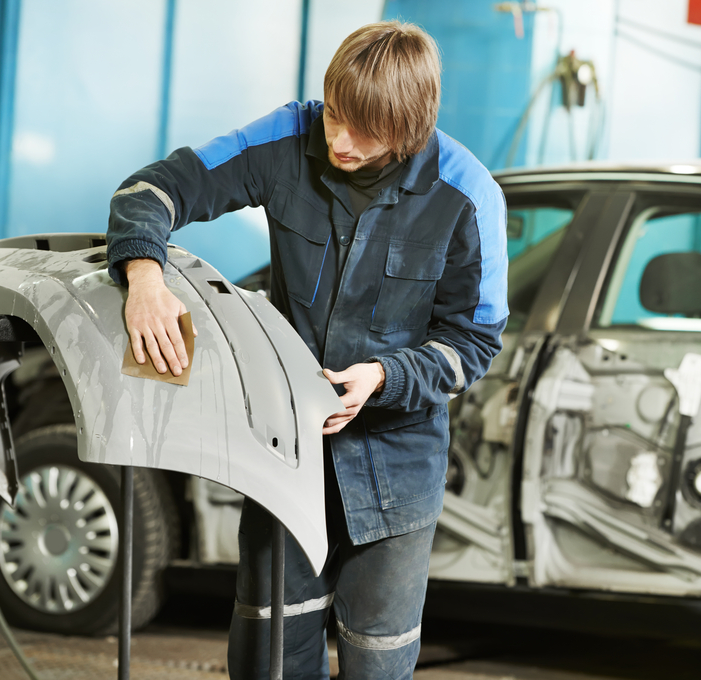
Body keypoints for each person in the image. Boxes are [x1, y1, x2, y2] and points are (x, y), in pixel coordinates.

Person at [106, 20, 508, 680]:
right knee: (269, 658)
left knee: (377, 665)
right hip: (286, 454)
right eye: (337, 118)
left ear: (409, 131)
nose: (341, 142)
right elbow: (154, 187)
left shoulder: (467, 197)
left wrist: (384, 376)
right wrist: (144, 273)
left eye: (366, 131)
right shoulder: (291, 136)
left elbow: (474, 342)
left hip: (397, 471)